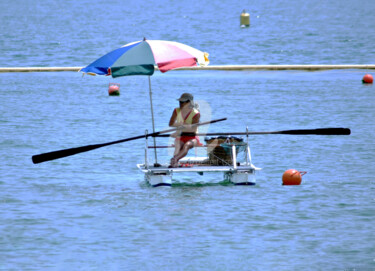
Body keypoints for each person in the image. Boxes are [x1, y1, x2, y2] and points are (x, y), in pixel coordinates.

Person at [168, 93, 202, 168]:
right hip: (181, 135)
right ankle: (174, 163)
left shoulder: (196, 114)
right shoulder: (176, 111)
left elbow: (193, 129)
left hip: (193, 137)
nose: (180, 104)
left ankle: (175, 159)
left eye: (182, 102)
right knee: (178, 144)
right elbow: (171, 124)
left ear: (189, 103)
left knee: (186, 145)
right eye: (180, 102)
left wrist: (181, 125)